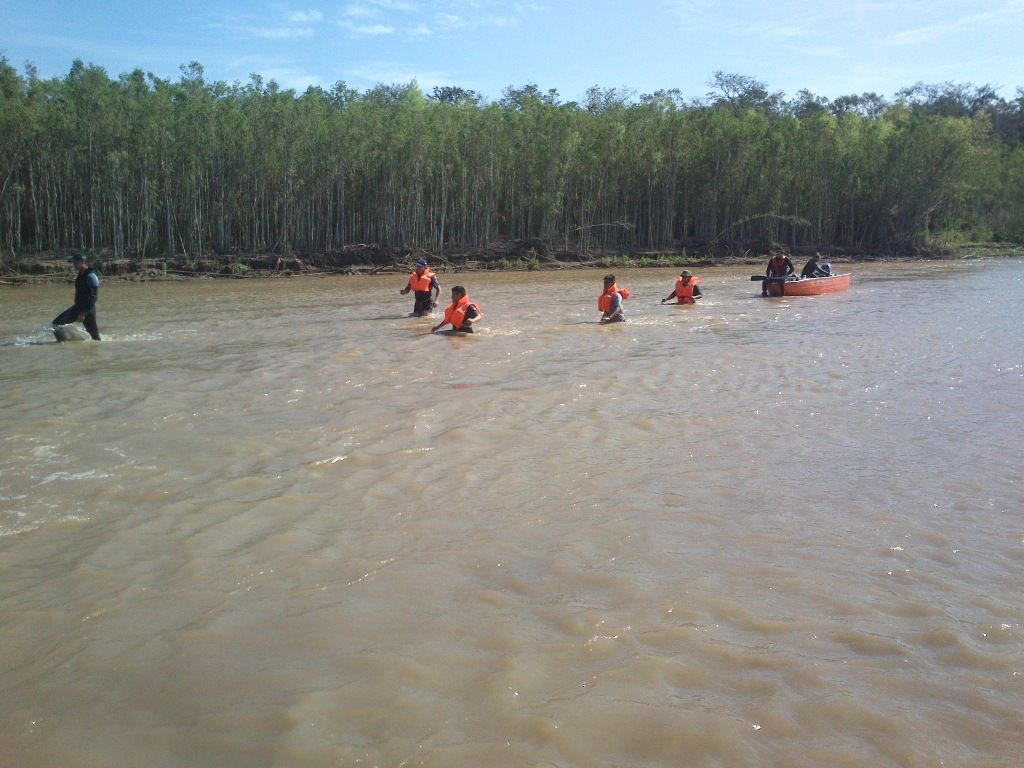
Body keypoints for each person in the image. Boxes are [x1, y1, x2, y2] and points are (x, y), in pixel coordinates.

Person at [52, 252, 101, 340]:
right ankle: (64, 343)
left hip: (87, 310)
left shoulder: (91, 276)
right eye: (73, 262)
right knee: (56, 324)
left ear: (82, 262)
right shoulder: (80, 274)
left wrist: (83, 313)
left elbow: (93, 298)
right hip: (77, 307)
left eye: (75, 262)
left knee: (95, 337)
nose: (73, 264)